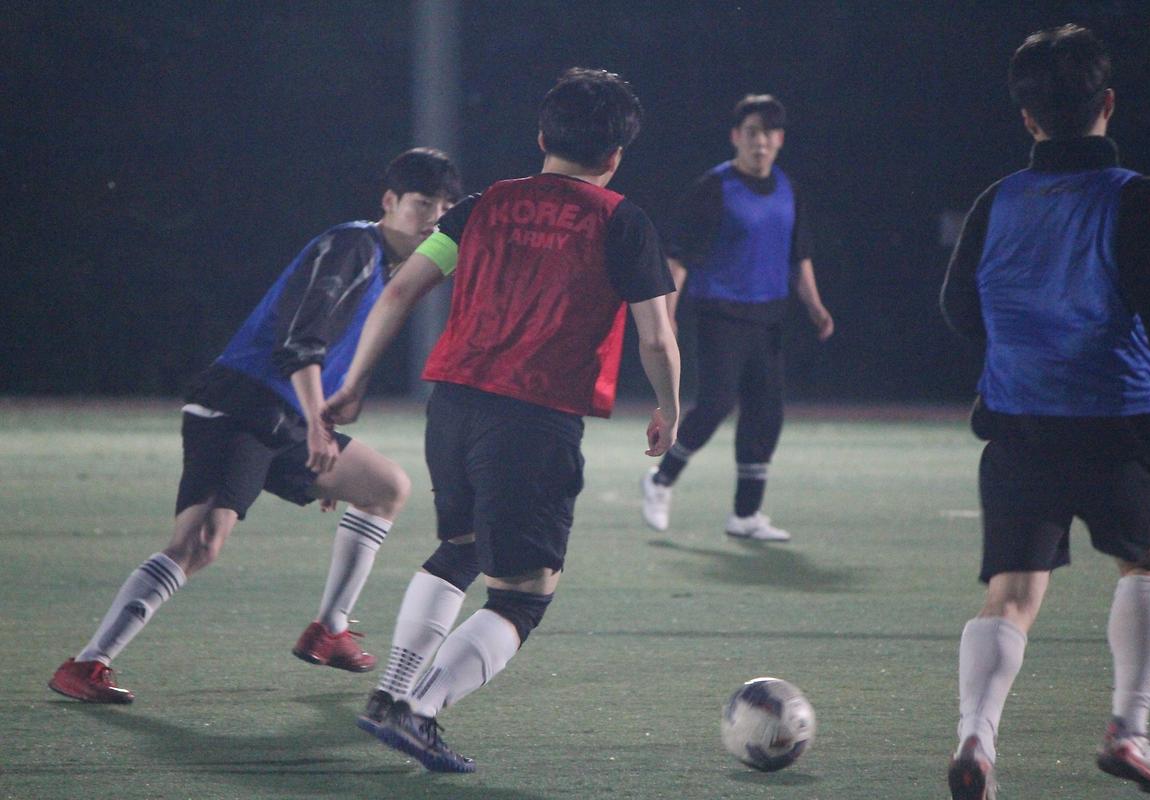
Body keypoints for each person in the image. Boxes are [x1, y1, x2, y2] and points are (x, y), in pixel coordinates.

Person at [325, 67, 680, 773]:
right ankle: (420, 711)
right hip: (535, 420)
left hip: (453, 407)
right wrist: (669, 408)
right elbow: (657, 337)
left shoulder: (481, 206)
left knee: (458, 549)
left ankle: (392, 693)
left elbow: (399, 291)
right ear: (615, 155)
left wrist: (354, 381)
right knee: (523, 596)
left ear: (542, 137)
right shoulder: (623, 221)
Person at [48, 148, 461, 704]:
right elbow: (297, 342)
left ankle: (330, 629)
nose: (434, 217)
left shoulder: (392, 268)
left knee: (383, 487)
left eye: (445, 207)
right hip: (239, 407)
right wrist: (317, 425)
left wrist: (317, 423)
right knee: (199, 543)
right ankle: (86, 664)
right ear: (389, 201)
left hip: (286, 416)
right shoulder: (352, 247)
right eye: (422, 204)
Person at [941, 25, 1150, 799]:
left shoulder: (996, 201)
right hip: (1117, 425)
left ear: (1028, 117)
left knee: (1012, 593)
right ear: (1107, 103)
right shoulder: (1142, 198)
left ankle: (976, 739)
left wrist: (1026, 345)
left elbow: (959, 308)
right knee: (1147, 563)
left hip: (1019, 426)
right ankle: (1129, 728)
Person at [639, 94, 833, 542]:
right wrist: (667, 313)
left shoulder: (787, 188)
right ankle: (660, 480)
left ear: (780, 139)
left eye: (768, 133)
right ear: (736, 137)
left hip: (770, 318)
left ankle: (746, 515)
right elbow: (678, 258)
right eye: (751, 133)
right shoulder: (714, 188)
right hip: (720, 314)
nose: (760, 142)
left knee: (766, 412)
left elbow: (798, 256)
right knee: (717, 403)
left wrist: (815, 306)